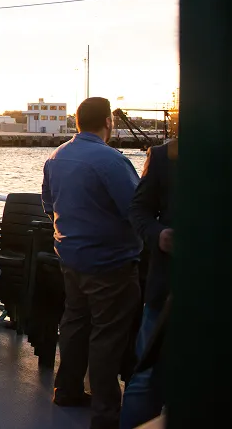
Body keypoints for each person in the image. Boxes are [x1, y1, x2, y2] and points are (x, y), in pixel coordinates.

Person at [42, 97, 142, 429]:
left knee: (74, 324)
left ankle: (66, 389)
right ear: (109, 123)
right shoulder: (112, 161)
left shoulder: (56, 157)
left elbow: (47, 204)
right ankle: (105, 414)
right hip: (110, 264)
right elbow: (136, 210)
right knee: (107, 335)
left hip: (70, 259)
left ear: (77, 121)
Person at [121, 137, 176, 428]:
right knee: (147, 375)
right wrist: (159, 236)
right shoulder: (164, 156)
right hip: (166, 288)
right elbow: (138, 210)